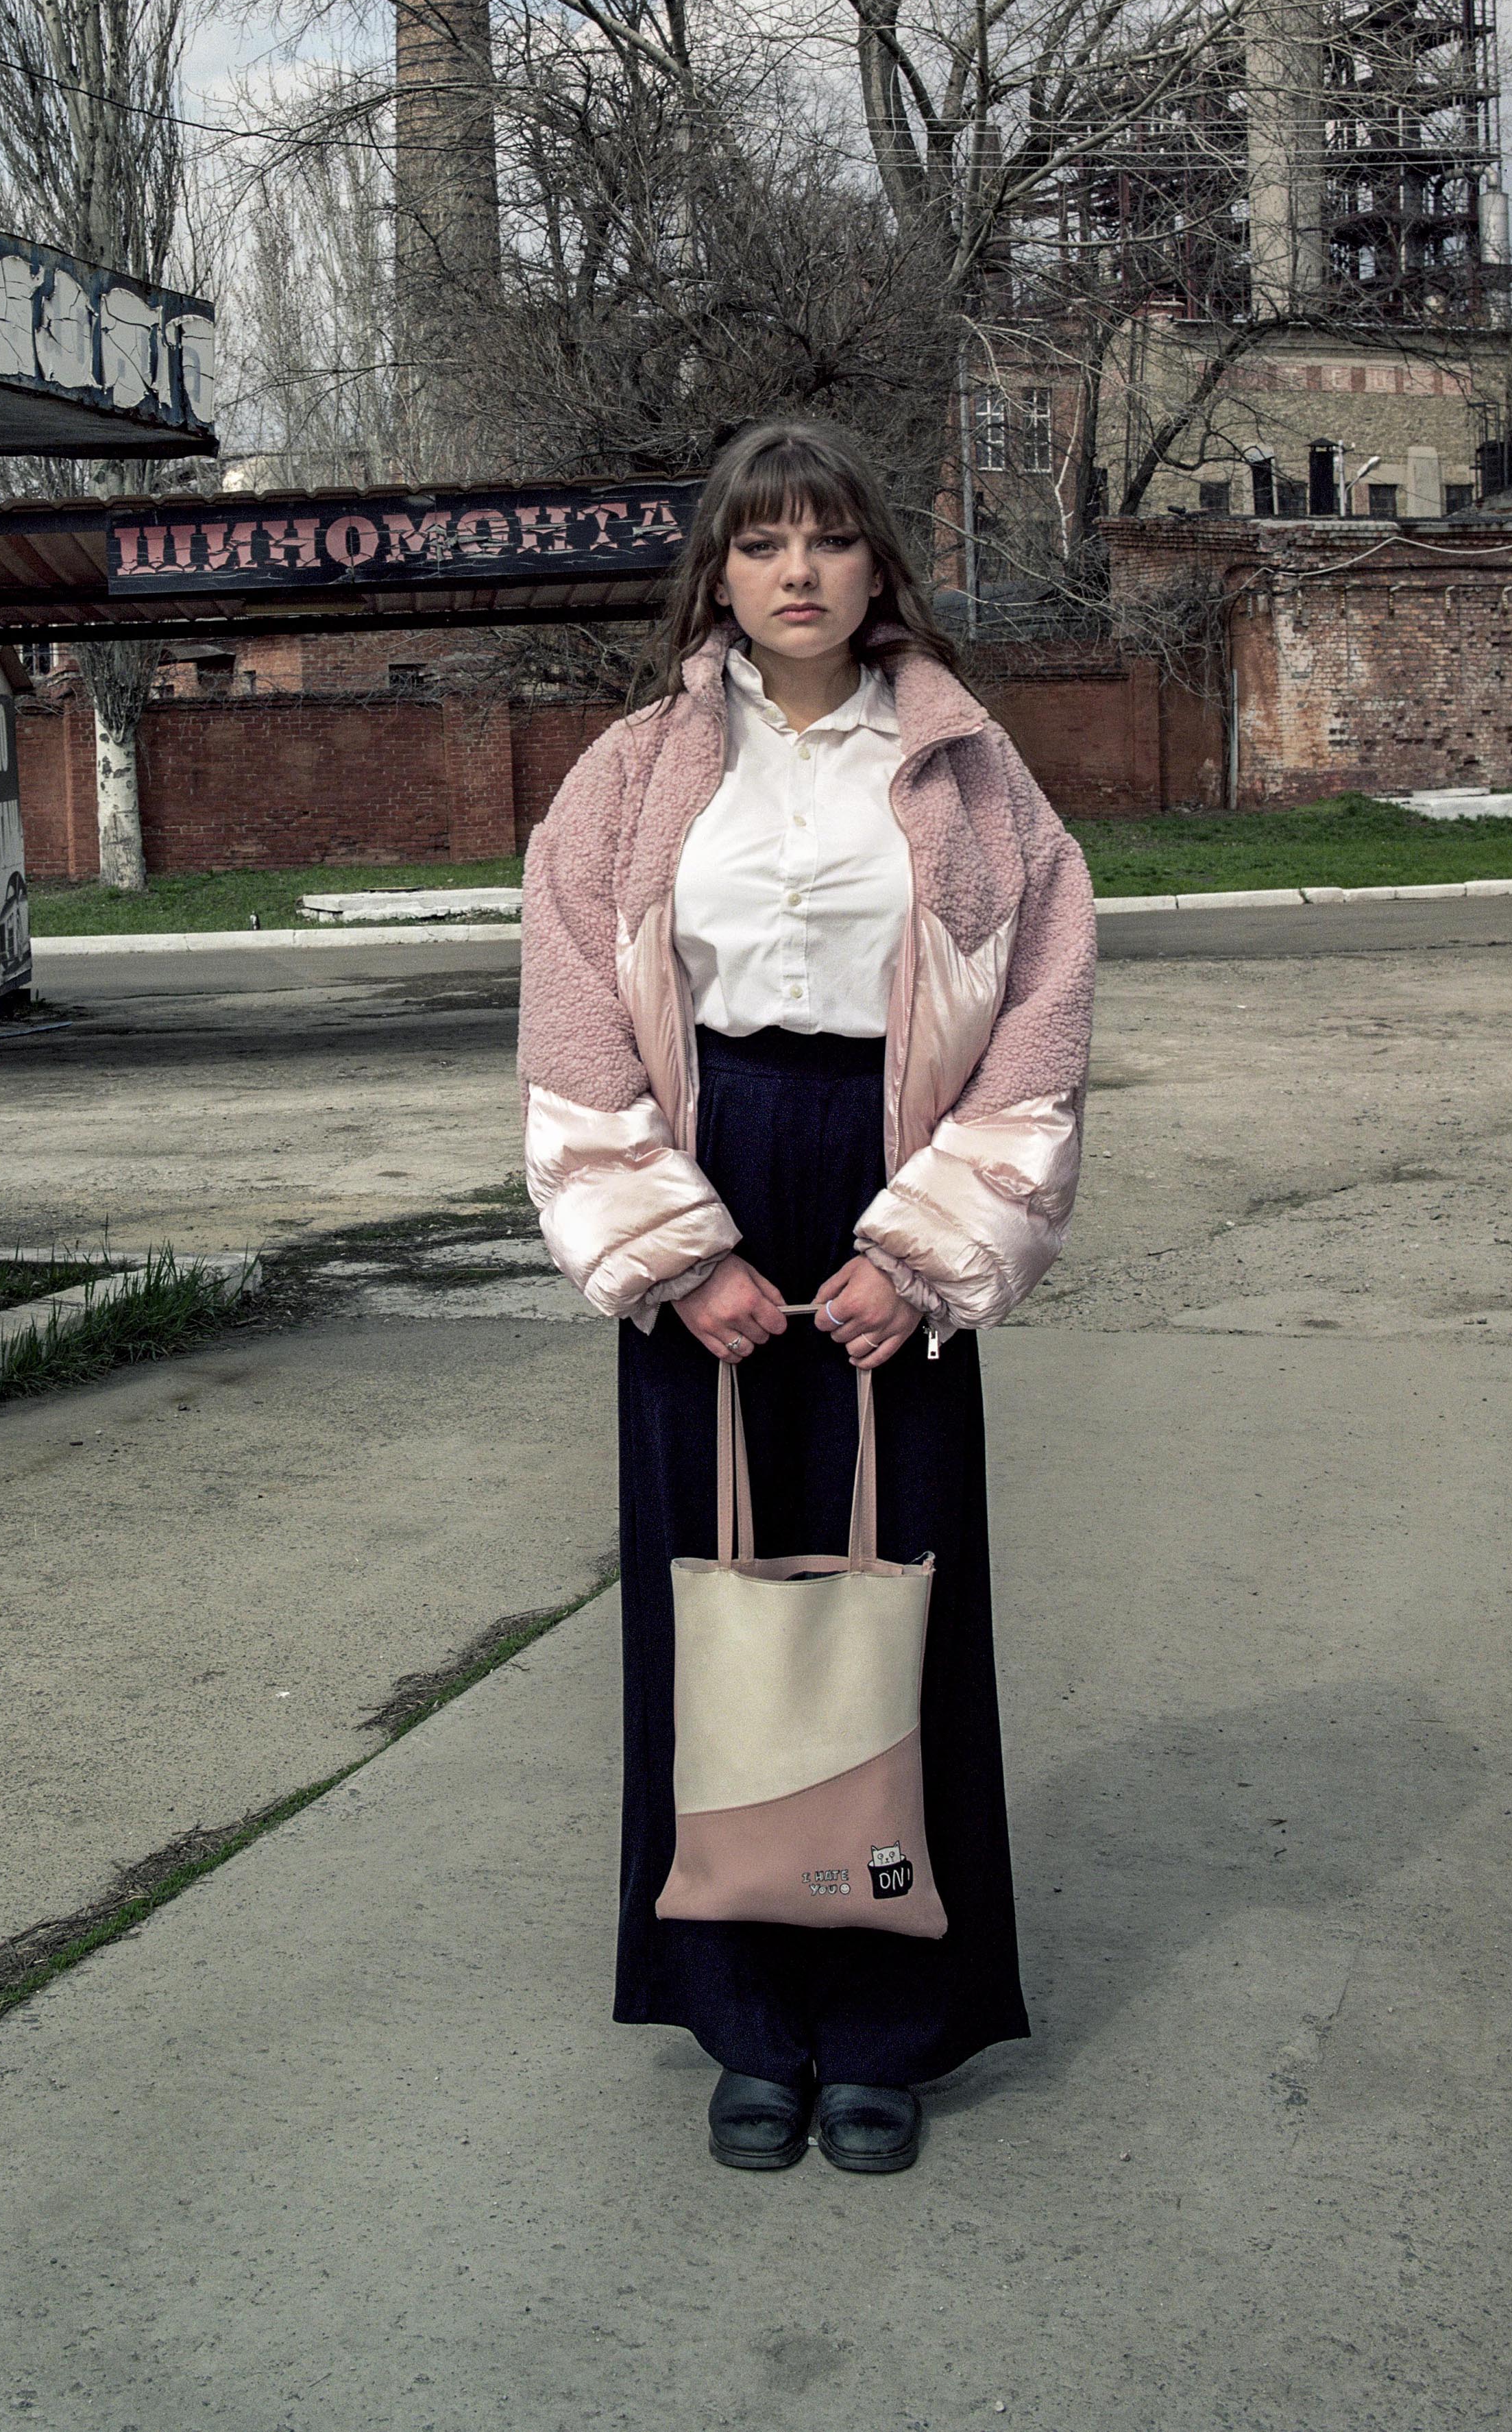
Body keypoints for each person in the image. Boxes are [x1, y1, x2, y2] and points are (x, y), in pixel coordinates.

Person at [518, 419, 1096, 2176]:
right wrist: (680, 1255)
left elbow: (1047, 1007)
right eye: (761, 543)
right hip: (709, 1168)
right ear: (718, 572)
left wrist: (918, 1249)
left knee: (893, 1595)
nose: (796, 573)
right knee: (720, 1609)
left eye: (828, 541)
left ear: (875, 567)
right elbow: (570, 1004)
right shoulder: (628, 772)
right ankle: (751, 2021)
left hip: (885, 1167)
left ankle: (890, 2030)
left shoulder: (968, 769)